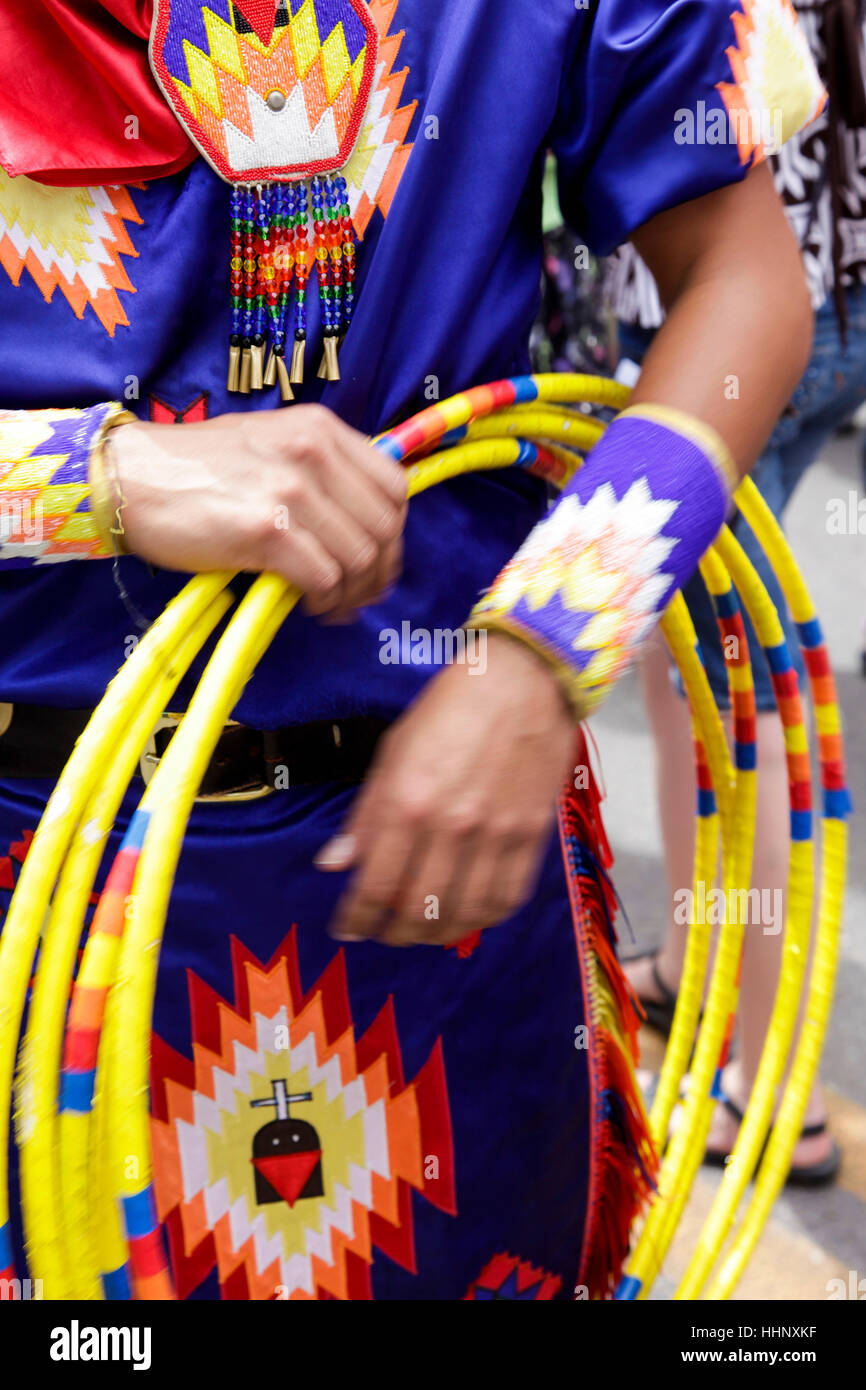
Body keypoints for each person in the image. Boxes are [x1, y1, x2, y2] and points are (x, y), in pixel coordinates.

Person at [0, 1, 822, 1299]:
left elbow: (743, 280)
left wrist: (554, 642)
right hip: (33, 880)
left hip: (451, 871)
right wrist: (93, 475)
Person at [607, 0, 866, 1185]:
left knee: (725, 719)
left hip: (727, 318)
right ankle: (694, 980)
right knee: (717, 690)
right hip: (840, 292)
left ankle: (763, 1083)